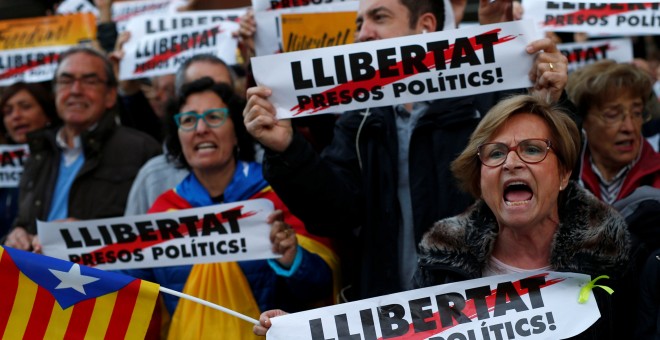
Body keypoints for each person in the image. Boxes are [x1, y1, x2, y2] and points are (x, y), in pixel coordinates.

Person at [243, 0, 569, 300]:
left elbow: (554, 184)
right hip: (392, 314)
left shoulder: (485, 105)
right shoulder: (359, 120)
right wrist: (287, 148)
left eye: (379, 17)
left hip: (484, 312)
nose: (361, 34)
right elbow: (336, 215)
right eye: (359, 24)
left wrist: (551, 101)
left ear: (425, 26)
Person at [124, 77, 339, 339]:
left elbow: (321, 288)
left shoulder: (277, 195)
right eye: (188, 120)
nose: (201, 129)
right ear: (178, 136)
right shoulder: (164, 211)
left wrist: (293, 259)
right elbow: (135, 297)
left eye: (214, 117)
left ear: (237, 130)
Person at [413, 94, 631, 339]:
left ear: (563, 174)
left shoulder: (615, 263)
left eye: (532, 149)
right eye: (496, 153)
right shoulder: (438, 269)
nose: (511, 163)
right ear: (480, 179)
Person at [3, 46, 161, 252]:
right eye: (66, 81)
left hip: (99, 281)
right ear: (55, 92)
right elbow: (24, 221)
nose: (76, 90)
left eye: (89, 81)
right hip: (37, 279)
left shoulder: (141, 149)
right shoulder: (40, 151)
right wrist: (16, 234)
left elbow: (160, 235)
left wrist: (88, 235)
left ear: (110, 95)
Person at [124, 54, 237, 216]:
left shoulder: (267, 169)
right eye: (196, 88)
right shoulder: (152, 179)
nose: (201, 129)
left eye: (221, 90)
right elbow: (133, 240)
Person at [567, 60, 660, 204]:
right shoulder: (564, 177)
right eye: (612, 115)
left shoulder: (656, 178)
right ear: (583, 120)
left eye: (636, 113)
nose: (629, 127)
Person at [0, 82, 59, 239]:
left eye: (25, 107)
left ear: (47, 113)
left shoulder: (63, 157)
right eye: (7, 111)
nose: (16, 116)